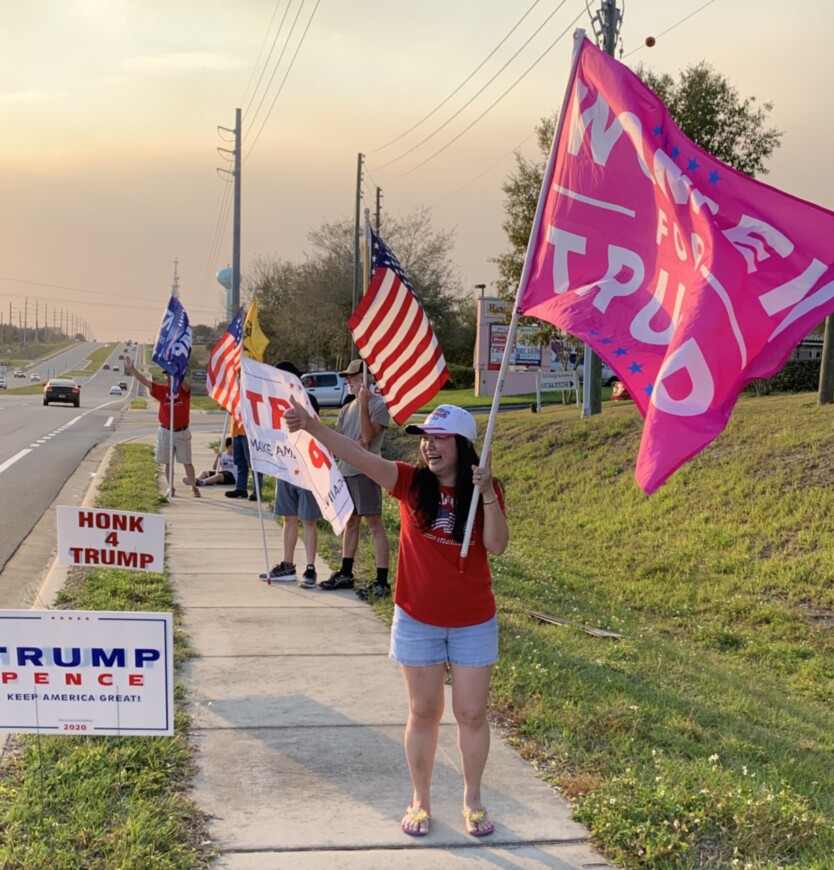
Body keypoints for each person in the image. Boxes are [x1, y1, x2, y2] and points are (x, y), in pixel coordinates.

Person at [284, 399, 508, 840]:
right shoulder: (408, 482)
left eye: (440, 438)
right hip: (417, 618)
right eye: (426, 438)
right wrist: (311, 426)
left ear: (463, 445)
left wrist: (486, 495)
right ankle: (420, 800)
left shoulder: (486, 488)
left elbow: (497, 546)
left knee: (472, 713)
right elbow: (357, 454)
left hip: (472, 621)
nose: (429, 446)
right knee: (423, 712)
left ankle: (473, 799)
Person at [320, 359, 391, 601]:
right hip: (346, 471)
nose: (348, 380)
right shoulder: (345, 408)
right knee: (350, 524)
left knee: (374, 525)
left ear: (367, 378)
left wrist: (364, 404)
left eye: (353, 376)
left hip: (367, 471)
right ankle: (346, 572)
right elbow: (339, 440)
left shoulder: (378, 405)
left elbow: (368, 437)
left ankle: (382, 580)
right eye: (347, 377)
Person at [264, 361, 322, 588]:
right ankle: (287, 564)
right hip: (285, 465)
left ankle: (310, 568)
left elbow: (315, 430)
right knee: (289, 517)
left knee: (308, 518)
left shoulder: (310, 401)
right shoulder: (274, 403)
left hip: (306, 466)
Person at [125, 357, 200, 498]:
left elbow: (185, 384)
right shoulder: (162, 390)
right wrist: (132, 369)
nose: (168, 376)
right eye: (166, 374)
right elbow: (146, 382)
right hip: (166, 431)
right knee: (167, 462)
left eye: (170, 373)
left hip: (182, 432)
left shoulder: (183, 390)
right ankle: (170, 488)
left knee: (187, 462)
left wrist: (178, 373)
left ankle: (194, 487)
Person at [224, 416, 264, 501]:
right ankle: (241, 488)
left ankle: (257, 491)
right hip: (236, 429)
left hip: (249, 430)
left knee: (252, 463)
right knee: (240, 462)